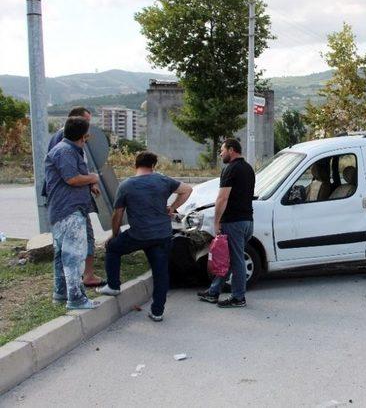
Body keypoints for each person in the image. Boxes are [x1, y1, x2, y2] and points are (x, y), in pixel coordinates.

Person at [97, 151, 192, 322]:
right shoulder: (163, 180)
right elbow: (187, 190)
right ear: (153, 165)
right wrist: (172, 207)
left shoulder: (126, 185)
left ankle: (113, 285)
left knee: (112, 248)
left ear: (136, 165)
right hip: (162, 234)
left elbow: (117, 214)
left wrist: (115, 235)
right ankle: (157, 312)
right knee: (161, 273)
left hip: (138, 234)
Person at [45, 116, 100, 309]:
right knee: (73, 255)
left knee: (62, 255)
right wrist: (93, 177)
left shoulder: (68, 150)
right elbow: (72, 179)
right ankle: (76, 299)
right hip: (68, 210)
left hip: (63, 210)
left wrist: (90, 183)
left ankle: (60, 294)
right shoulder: (65, 151)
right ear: (84, 135)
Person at [199, 138, 255, 308]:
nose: (221, 153)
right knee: (230, 258)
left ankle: (238, 297)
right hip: (247, 221)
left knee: (236, 260)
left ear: (231, 150)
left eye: (222, 150)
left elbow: (222, 198)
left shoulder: (230, 169)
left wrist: (216, 222)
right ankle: (214, 291)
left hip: (234, 222)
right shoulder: (248, 168)